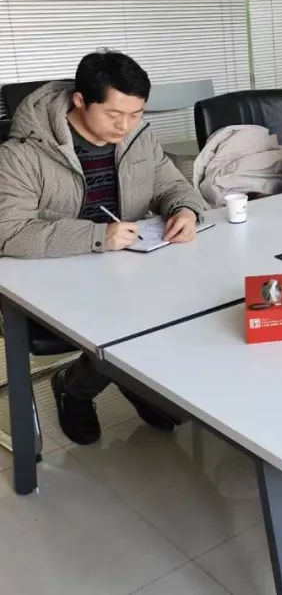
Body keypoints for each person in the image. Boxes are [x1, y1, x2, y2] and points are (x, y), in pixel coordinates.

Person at [0, 49, 207, 444]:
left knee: (196, 298)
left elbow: (171, 185)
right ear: (80, 100)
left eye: (136, 114)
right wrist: (97, 237)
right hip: (55, 271)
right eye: (114, 115)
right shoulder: (24, 153)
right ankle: (76, 387)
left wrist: (185, 209)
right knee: (133, 317)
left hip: (126, 262)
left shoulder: (139, 137)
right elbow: (8, 233)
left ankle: (131, 378)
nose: (125, 125)